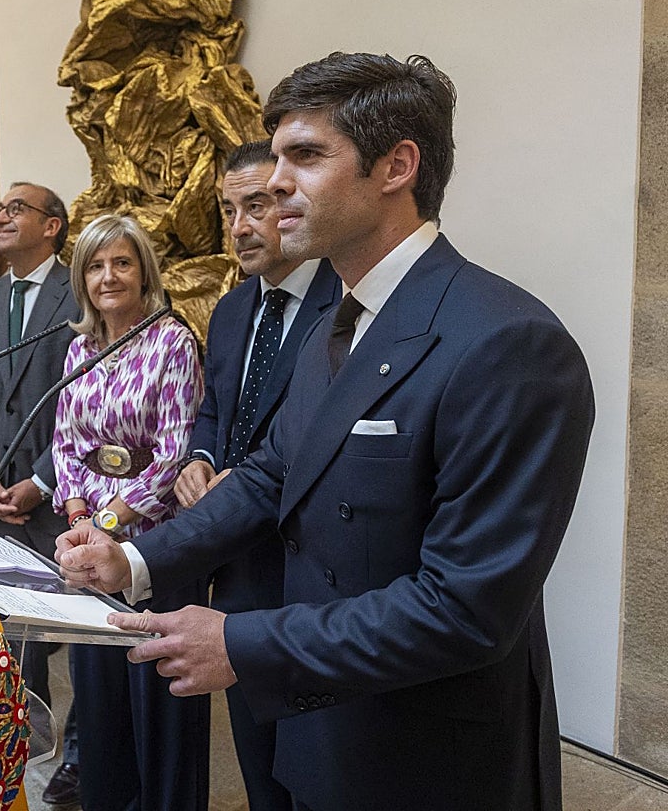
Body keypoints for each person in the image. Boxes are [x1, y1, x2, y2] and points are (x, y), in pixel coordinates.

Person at [56, 52, 595, 811]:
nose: (275, 182)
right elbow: (272, 474)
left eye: (304, 155)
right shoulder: (333, 327)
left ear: (396, 166)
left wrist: (242, 643)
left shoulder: (508, 342)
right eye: (276, 156)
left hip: (428, 756)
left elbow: (464, 610)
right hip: (323, 728)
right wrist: (135, 559)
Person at [171, 140, 341, 811]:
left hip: (308, 567)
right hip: (237, 566)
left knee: (318, 762)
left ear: (295, 204)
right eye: (228, 209)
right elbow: (216, 409)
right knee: (258, 758)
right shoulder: (234, 307)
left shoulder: (344, 302)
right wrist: (201, 461)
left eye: (258, 205)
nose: (240, 227)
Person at [52, 214, 206, 811]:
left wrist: (109, 522)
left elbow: (173, 453)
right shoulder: (78, 349)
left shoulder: (171, 338)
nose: (108, 276)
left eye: (121, 262)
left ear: (144, 271)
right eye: (95, 265)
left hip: (155, 548)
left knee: (159, 702)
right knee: (101, 700)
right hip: (88, 545)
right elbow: (65, 443)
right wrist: (77, 513)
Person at [0, 182, 82, 804]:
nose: (1, 218)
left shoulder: (79, 290)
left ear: (52, 226)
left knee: (77, 628)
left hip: (59, 493)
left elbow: (82, 404)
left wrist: (39, 480)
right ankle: (21, 736)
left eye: (15, 210)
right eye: (0, 210)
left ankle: (83, 752)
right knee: (8, 628)